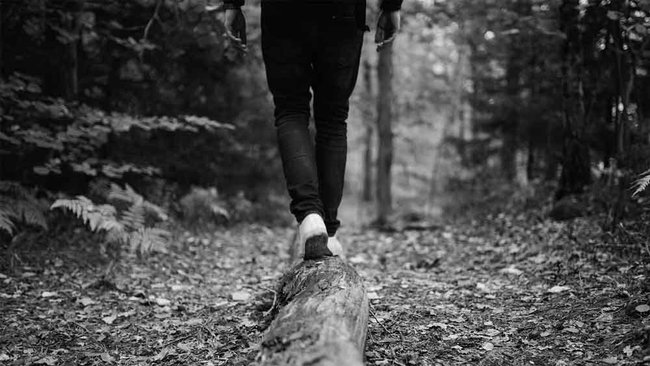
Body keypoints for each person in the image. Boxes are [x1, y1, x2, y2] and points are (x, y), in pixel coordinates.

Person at [223, 0, 402, 260]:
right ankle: (327, 233)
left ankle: (310, 218)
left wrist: (232, 4)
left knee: (291, 110)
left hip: (282, 12)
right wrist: (392, 6)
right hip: (343, 11)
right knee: (333, 118)